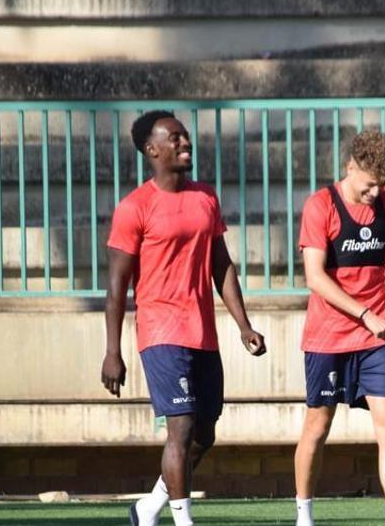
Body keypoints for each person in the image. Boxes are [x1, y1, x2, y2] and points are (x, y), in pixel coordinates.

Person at [103, 110, 267, 526]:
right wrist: (112, 352)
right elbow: (117, 286)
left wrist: (243, 324)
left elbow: (221, 264)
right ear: (151, 149)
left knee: (204, 434)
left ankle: (148, 508)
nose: (184, 143)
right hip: (160, 331)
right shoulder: (134, 208)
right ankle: (183, 522)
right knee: (180, 427)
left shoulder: (204, 197)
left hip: (202, 332)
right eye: (174, 138)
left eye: (185, 137)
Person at [294, 130, 385, 526]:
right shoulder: (320, 206)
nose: (375, 193)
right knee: (318, 426)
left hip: (377, 338)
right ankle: (304, 515)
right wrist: (365, 314)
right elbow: (315, 277)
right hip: (329, 336)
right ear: (350, 168)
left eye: (381, 185)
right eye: (368, 184)